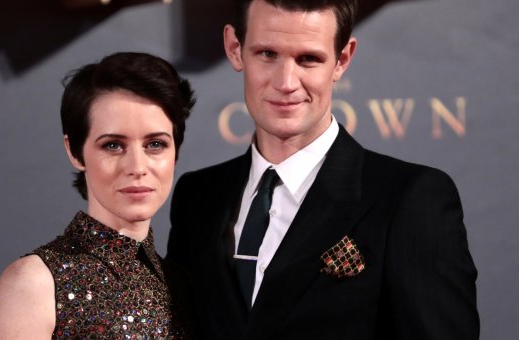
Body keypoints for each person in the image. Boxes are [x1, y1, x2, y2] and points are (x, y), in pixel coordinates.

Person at [165, 0, 479, 339]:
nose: (286, 82)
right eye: (268, 54)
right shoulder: (197, 196)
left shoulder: (409, 199)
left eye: (308, 59)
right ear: (235, 48)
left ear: (342, 59)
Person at [0, 52, 195, 339]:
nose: (138, 167)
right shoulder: (36, 283)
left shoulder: (182, 284)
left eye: (155, 144)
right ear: (75, 151)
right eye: (113, 146)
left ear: (175, 152)